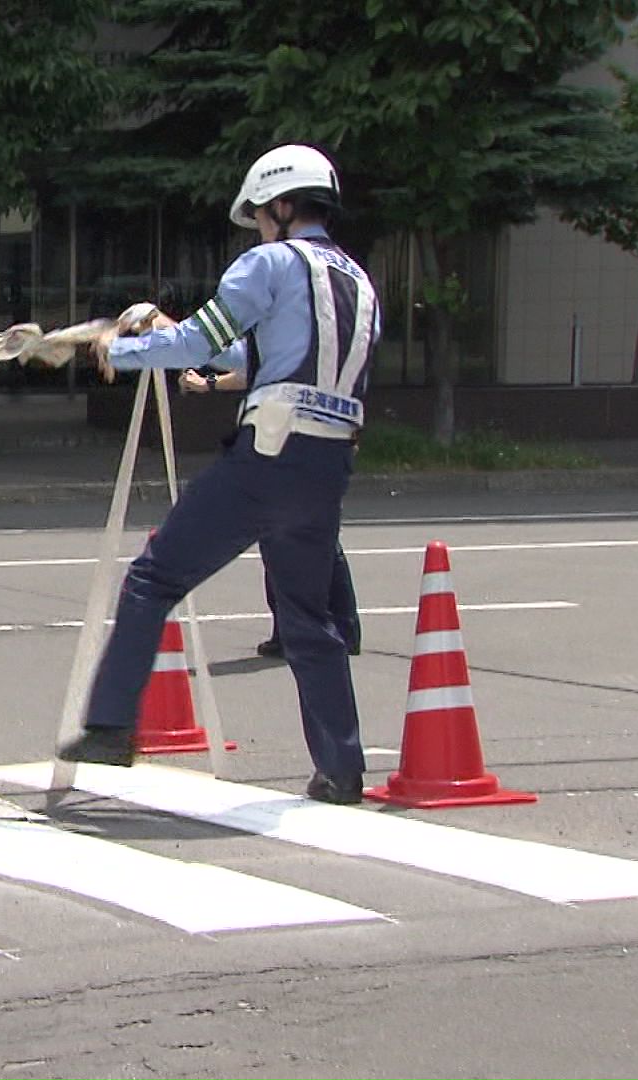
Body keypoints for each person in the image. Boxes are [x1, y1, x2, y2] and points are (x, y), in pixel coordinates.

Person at [60, 144, 380, 805]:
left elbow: (202, 343)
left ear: (283, 207)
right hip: (329, 460)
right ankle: (341, 768)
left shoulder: (269, 262)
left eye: (262, 216)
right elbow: (257, 348)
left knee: (153, 578)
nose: (260, 228)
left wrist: (121, 347)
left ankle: (113, 726)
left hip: (269, 452)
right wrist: (169, 333)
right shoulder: (357, 281)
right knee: (307, 618)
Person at [177, 361, 361, 659]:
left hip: (298, 438)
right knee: (302, 534)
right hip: (307, 436)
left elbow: (252, 367)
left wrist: (207, 382)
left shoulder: (291, 335)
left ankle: (322, 629)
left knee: (294, 534)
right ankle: (329, 629)